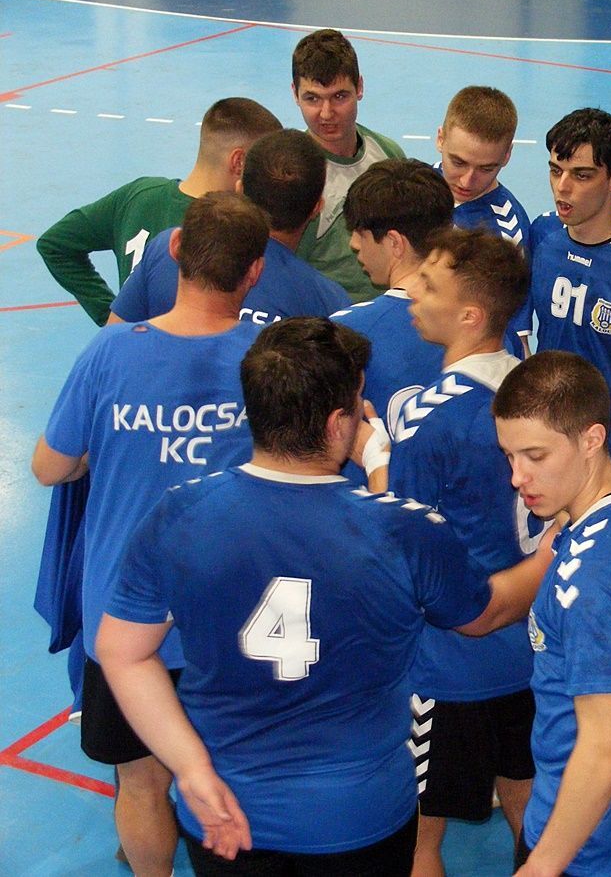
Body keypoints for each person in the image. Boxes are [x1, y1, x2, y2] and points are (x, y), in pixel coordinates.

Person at [94, 317, 558, 876]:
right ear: (340, 423)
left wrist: (190, 768)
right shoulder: (404, 530)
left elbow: (122, 652)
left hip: (226, 816)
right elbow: (484, 614)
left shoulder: (179, 514)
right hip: (359, 818)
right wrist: (547, 556)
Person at [30, 192, 270, 877]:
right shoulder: (267, 361)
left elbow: (50, 467)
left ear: (175, 251)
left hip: (124, 616)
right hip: (236, 614)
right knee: (233, 768)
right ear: (255, 271)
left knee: (139, 781)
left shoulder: (111, 351)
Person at [386, 228, 542, 875]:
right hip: (530, 647)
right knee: (531, 805)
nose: (411, 295)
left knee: (418, 838)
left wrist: (374, 458)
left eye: (428, 285)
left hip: (447, 663)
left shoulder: (431, 418)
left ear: (471, 315)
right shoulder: (535, 390)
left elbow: (401, 541)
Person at [493, 351, 611, 877]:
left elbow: (605, 751)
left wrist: (542, 867)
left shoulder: (593, 576)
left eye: (535, 456)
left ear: (591, 439)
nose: (517, 477)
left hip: (595, 844)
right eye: (509, 456)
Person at [36, 98, 281, 326]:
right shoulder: (229, 225)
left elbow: (55, 244)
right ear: (239, 161)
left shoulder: (139, 195)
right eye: (264, 164)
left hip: (135, 346)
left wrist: (113, 316)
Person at [109, 128, 350, 324]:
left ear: (240, 189)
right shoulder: (329, 302)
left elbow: (113, 341)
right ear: (317, 207)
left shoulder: (170, 249)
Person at [525, 108, 611, 422]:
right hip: (548, 428)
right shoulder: (544, 236)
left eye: (581, 175)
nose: (562, 186)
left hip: (609, 439)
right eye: (556, 170)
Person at [332, 158, 450, 425]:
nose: (353, 244)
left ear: (395, 242)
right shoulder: (492, 326)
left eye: (360, 233)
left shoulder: (343, 333)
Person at [291, 28, 405, 302]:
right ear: (295, 94)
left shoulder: (388, 155)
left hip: (386, 310)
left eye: (339, 96)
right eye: (312, 98)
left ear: (360, 87)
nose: (326, 113)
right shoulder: (291, 174)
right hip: (324, 320)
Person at [436, 85, 535, 356]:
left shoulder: (507, 231)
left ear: (507, 155)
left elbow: (514, 341)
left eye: (486, 168)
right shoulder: (414, 188)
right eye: (458, 162)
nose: (467, 180)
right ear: (440, 139)